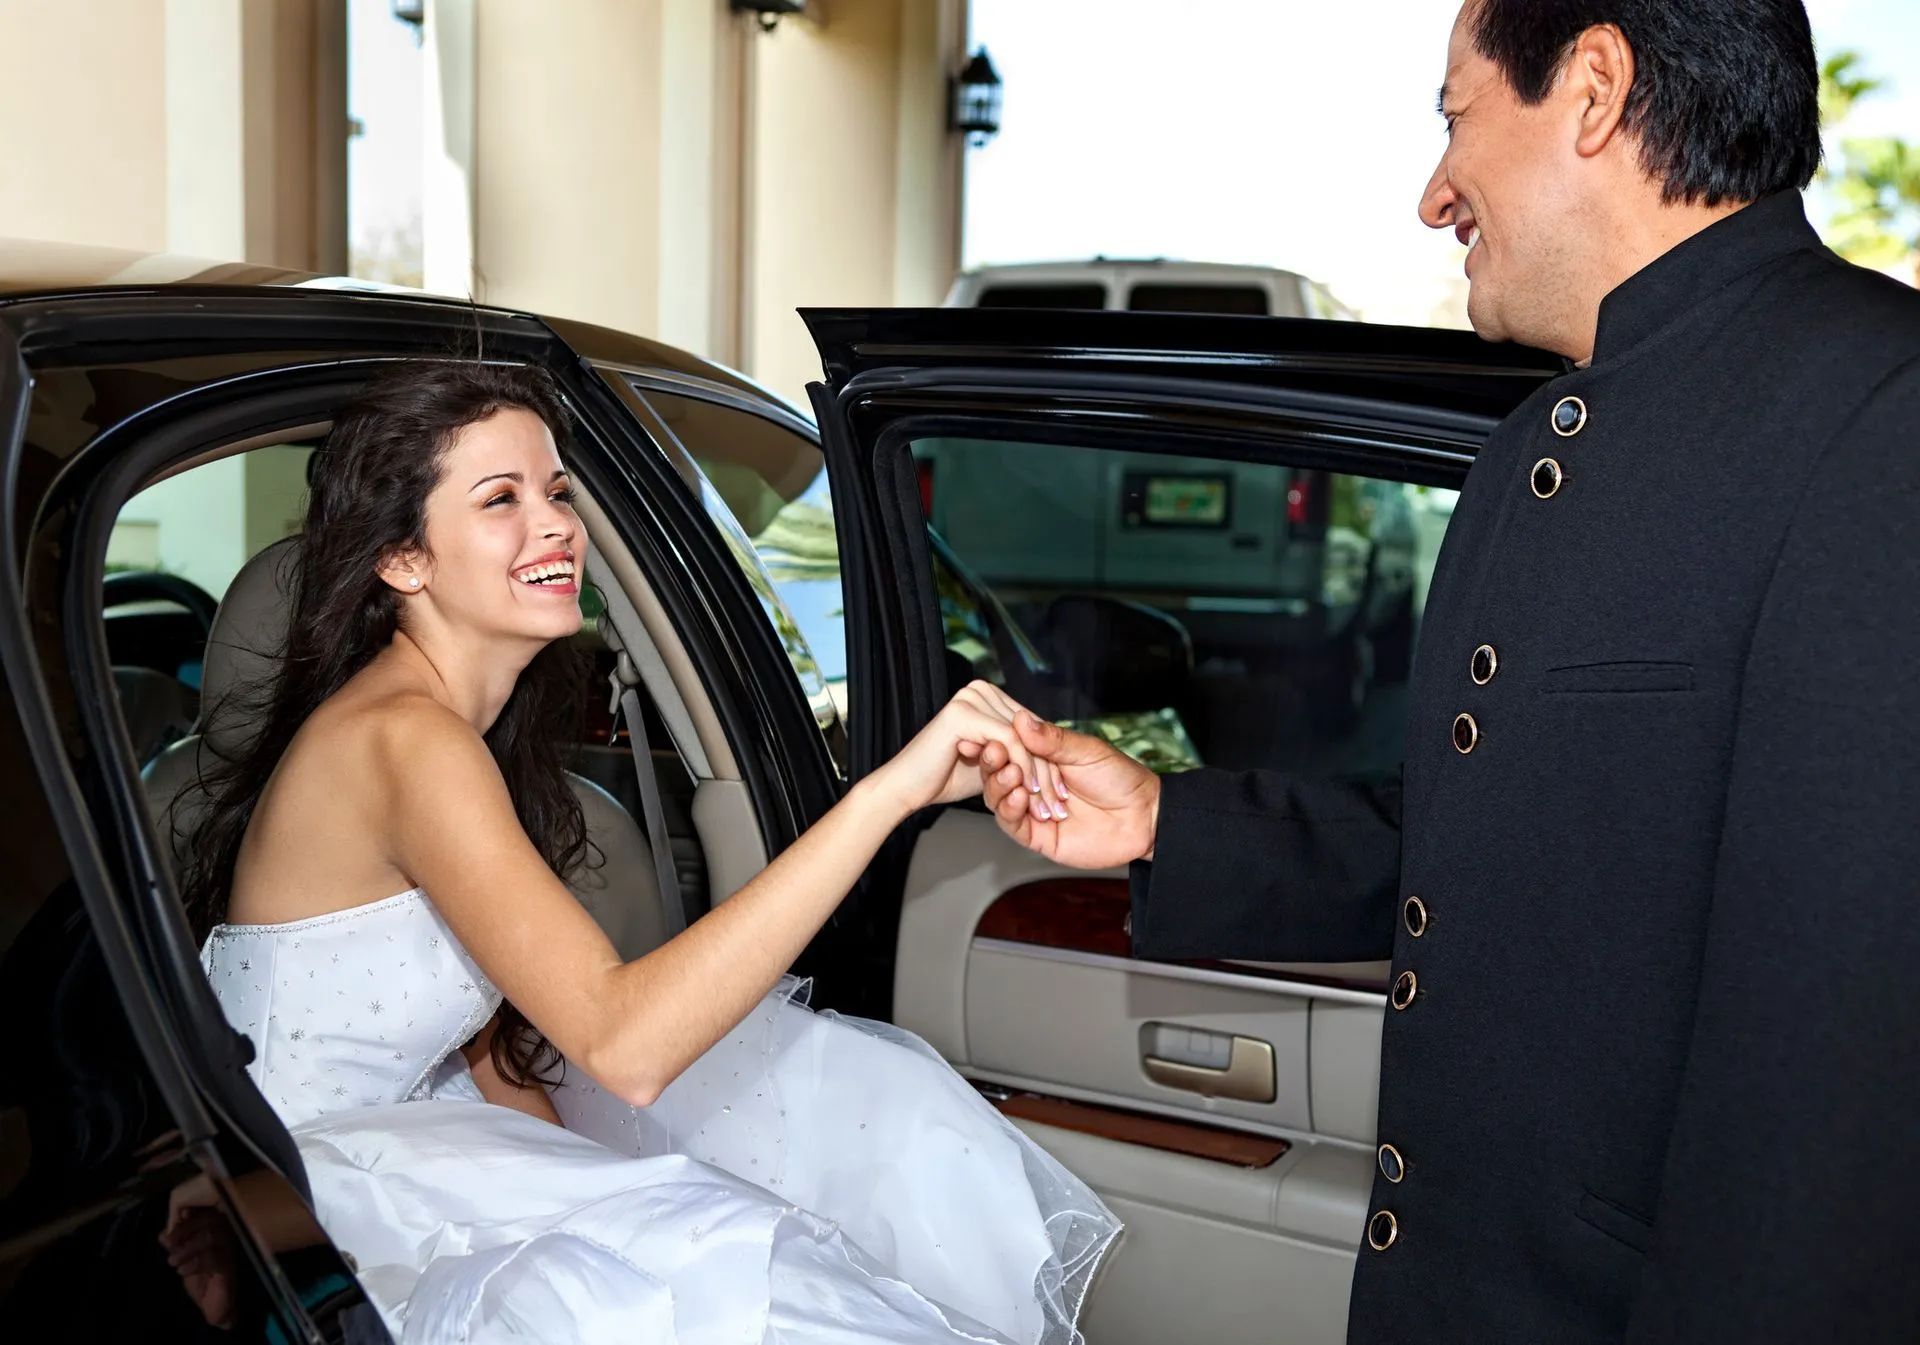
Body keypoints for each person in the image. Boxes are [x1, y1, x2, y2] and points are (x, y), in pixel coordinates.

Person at [978, 3, 1920, 1342]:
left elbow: (1844, 1086)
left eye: (1456, 118)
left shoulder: (1881, 422)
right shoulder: (1535, 446)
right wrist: (1159, 818)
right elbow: (1477, 839)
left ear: (1592, 89)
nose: (1433, 197)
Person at [171, 361, 1118, 1343]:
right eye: (501, 499)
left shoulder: (448, 729)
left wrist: (605, 1197)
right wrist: (886, 793)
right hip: (313, 1186)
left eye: (558, 492)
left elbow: (485, 1048)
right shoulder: (402, 739)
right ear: (404, 560)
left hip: (413, 1144)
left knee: (836, 1125)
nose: (556, 526)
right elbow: (626, 1049)